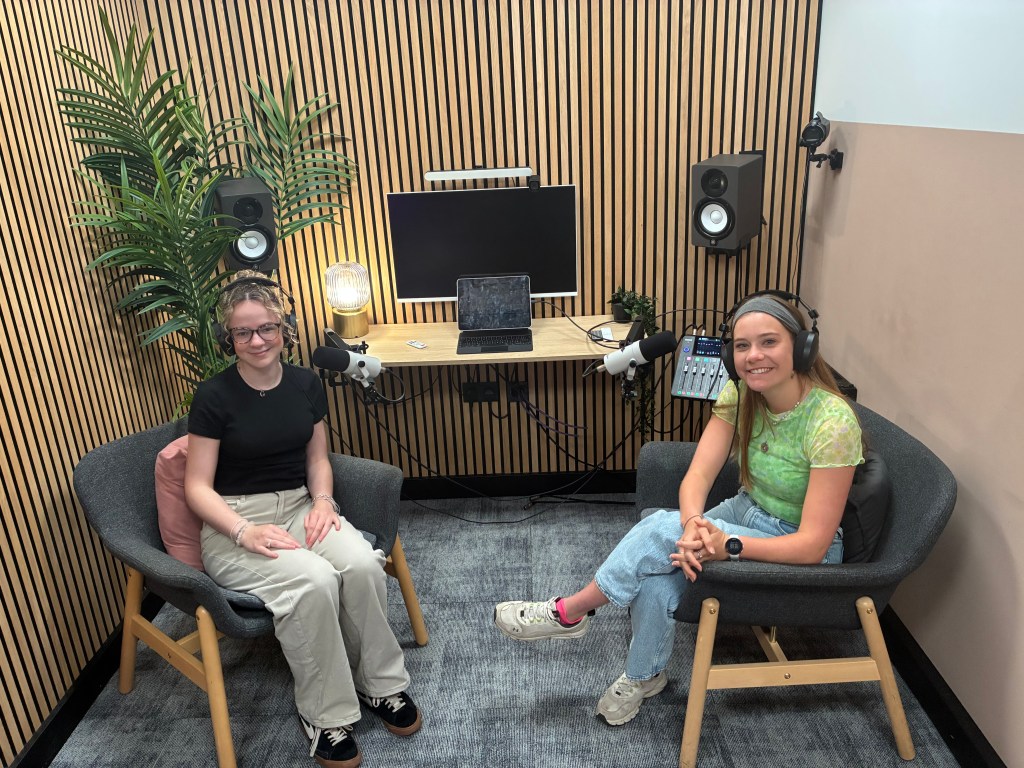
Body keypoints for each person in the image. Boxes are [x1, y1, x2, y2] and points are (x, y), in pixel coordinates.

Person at [493, 293, 863, 726]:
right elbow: (696, 478)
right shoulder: (741, 394)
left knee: (656, 528)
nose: (753, 356)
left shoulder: (832, 422)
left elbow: (814, 545)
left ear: (801, 347)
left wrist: (730, 545)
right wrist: (691, 528)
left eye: (768, 342)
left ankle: (570, 612)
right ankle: (644, 676)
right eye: (742, 346)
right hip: (746, 511)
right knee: (661, 559)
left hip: (798, 545)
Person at [184, 271, 420, 768]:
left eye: (267, 328)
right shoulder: (213, 396)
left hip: (299, 506)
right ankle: (326, 715)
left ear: (284, 329)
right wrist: (243, 531)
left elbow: (317, 459)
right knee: (312, 583)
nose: (257, 340)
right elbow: (196, 487)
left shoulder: (306, 383)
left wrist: (323, 502)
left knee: (359, 564)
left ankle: (381, 686)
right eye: (243, 332)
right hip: (235, 525)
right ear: (229, 339)